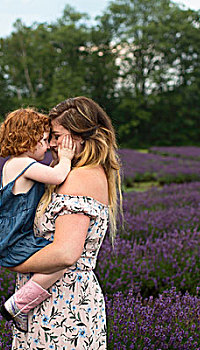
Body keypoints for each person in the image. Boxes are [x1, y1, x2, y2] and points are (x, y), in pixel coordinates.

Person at [9, 97, 122, 349]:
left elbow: (65, 254)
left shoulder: (78, 179)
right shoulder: (88, 173)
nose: (50, 144)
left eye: (57, 136)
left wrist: (15, 262)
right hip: (57, 303)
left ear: (80, 137)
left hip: (61, 307)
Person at [0, 108, 76, 332]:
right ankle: (16, 306)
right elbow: (59, 176)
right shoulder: (20, 164)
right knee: (59, 263)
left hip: (15, 234)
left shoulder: (21, 165)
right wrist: (66, 158)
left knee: (56, 262)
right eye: (42, 139)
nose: (47, 145)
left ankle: (22, 307)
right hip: (11, 237)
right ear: (26, 141)